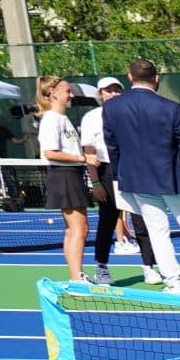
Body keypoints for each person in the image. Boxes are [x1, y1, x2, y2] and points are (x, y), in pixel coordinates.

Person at [99, 59, 180, 295]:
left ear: (129, 77)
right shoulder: (170, 107)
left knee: (157, 231)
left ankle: (173, 282)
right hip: (173, 179)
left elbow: (112, 146)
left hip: (139, 181)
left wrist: (121, 177)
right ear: (156, 78)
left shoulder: (111, 108)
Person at [79, 75, 137, 284]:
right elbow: (89, 153)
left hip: (132, 168)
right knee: (107, 220)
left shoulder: (131, 113)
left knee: (142, 219)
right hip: (106, 171)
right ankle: (101, 267)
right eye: (108, 90)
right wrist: (95, 183)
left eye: (117, 90)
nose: (113, 94)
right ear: (100, 94)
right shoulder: (91, 118)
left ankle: (150, 266)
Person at [34, 77, 90, 285]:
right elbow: (50, 152)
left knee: (73, 229)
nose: (71, 95)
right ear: (53, 92)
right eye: (67, 91)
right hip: (64, 175)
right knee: (80, 229)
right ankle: (77, 279)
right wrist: (82, 158)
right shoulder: (51, 119)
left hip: (71, 175)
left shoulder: (62, 118)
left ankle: (76, 276)